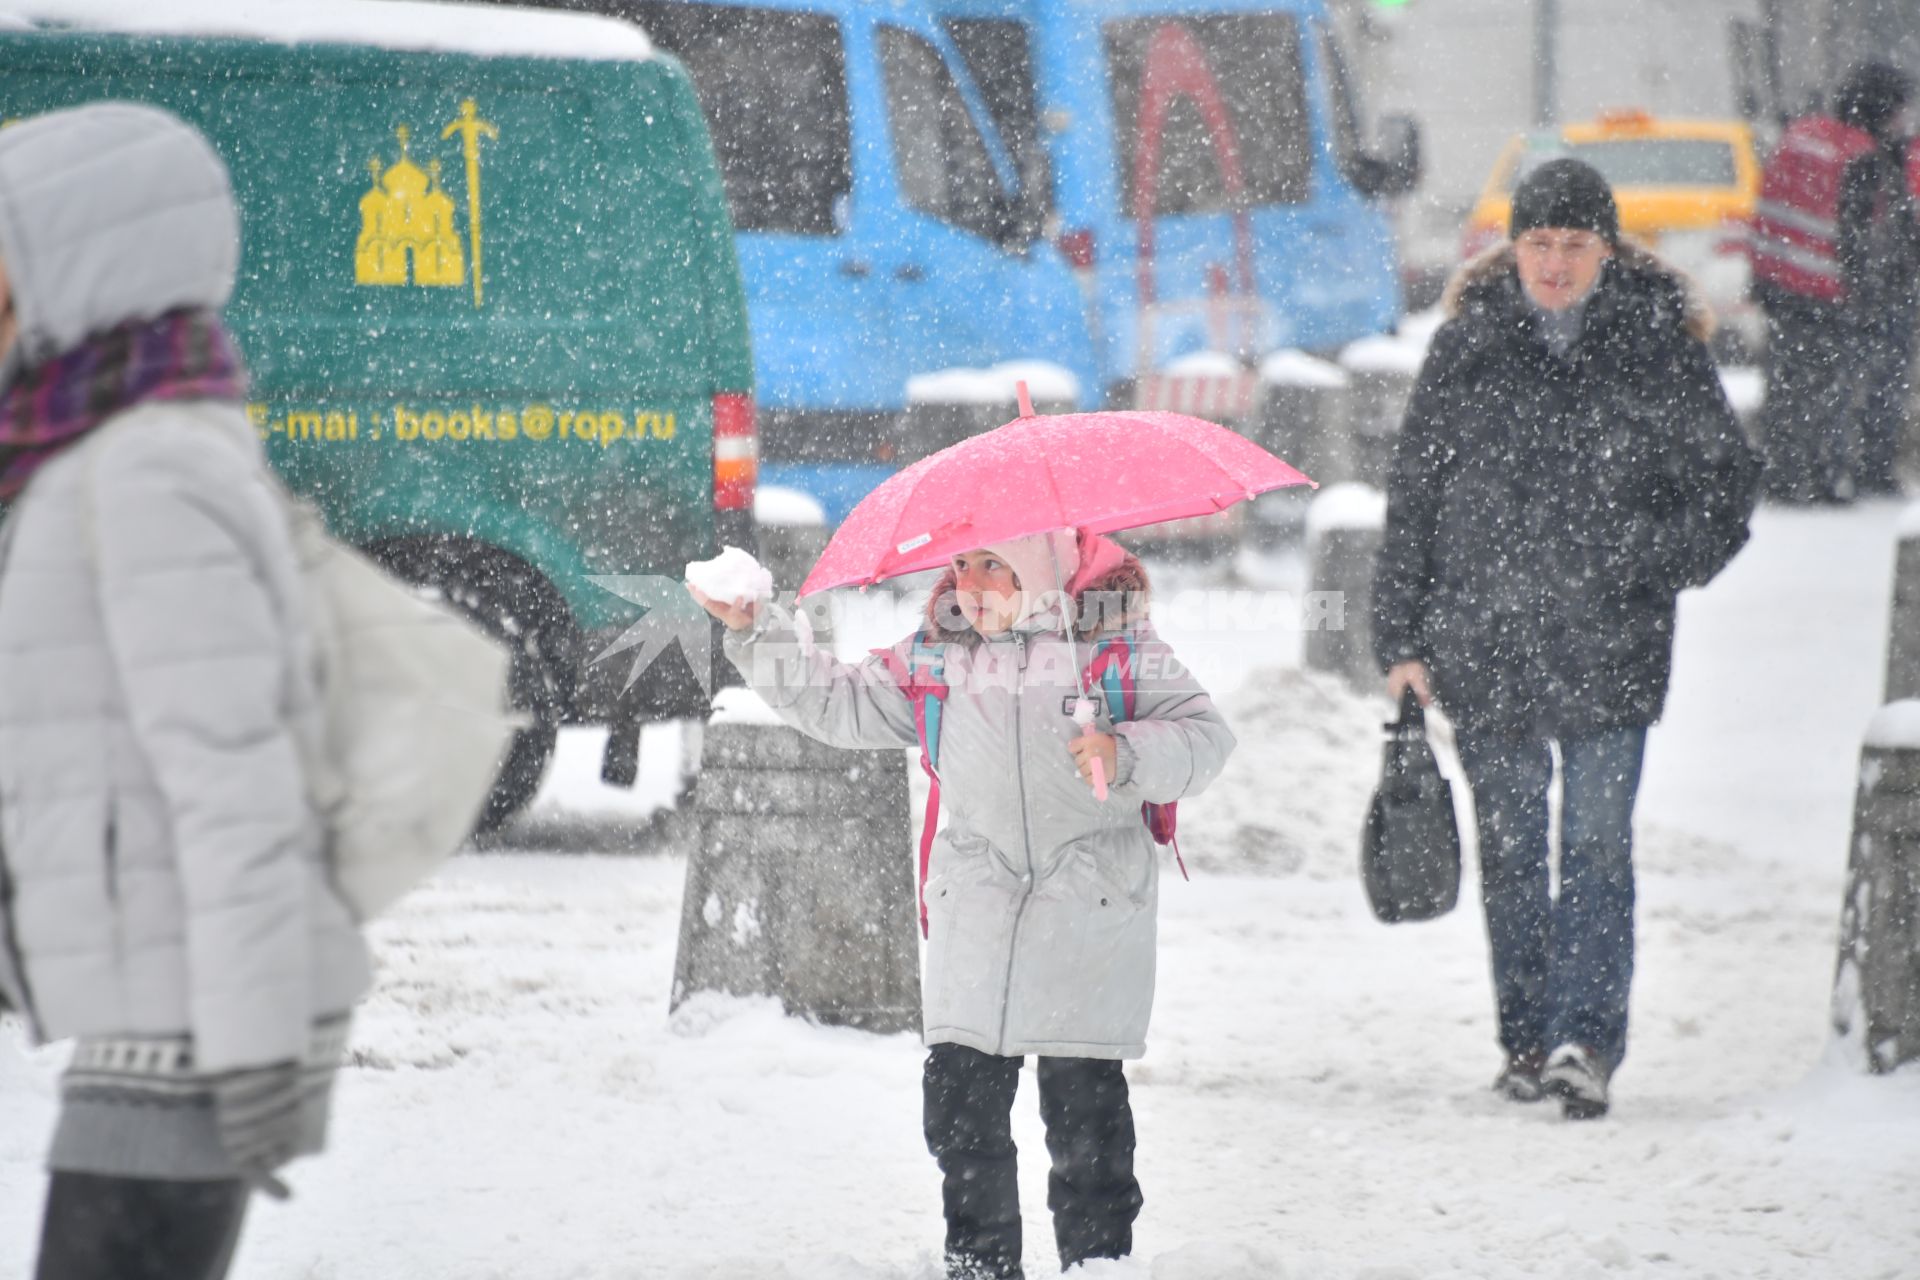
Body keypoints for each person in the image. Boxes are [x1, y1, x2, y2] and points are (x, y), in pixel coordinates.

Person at [0, 103, 371, 1278]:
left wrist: (254, 1049)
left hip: (186, 1043)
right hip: (151, 1022)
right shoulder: (100, 451)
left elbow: (238, 769)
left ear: (74, 265)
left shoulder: (144, 466)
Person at [692, 530, 1232, 1279]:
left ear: (1043, 571)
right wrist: (756, 629)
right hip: (976, 905)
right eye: (963, 565)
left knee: (1088, 1129)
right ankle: (979, 1263)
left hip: (1089, 911)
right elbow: (837, 698)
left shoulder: (1117, 649)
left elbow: (1208, 739)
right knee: (960, 1114)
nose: (971, 584)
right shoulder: (938, 655)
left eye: (996, 566)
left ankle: (1098, 1264)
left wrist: (1125, 751)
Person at [1371, 159, 1760, 1120]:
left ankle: (1586, 1043)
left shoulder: (1658, 345)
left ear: (1605, 247)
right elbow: (1413, 497)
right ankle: (1528, 1040)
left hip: (1611, 638)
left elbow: (1726, 489)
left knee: (1593, 846)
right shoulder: (1468, 345)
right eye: (1538, 243)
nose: (1553, 262)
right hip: (1484, 633)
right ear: (1515, 246)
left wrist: (1645, 562)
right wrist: (1399, 638)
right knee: (1510, 850)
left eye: (1573, 245)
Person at [1747, 88, 1876, 502]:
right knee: (1830, 388)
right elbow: (1855, 232)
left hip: (1779, 284)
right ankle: (1826, 476)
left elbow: (1767, 204)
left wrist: (1763, 278)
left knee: (1785, 384)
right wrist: (1861, 291)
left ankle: (1782, 474)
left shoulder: (1798, 136)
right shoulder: (1858, 153)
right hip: (1826, 290)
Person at [1835, 61, 1920, 498]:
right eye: (1903, 107)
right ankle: (1871, 466)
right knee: (1880, 379)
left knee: (1870, 379)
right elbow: (1864, 231)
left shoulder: (1873, 151)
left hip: (1873, 287)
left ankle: (1866, 464)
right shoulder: (1870, 157)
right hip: (1878, 288)